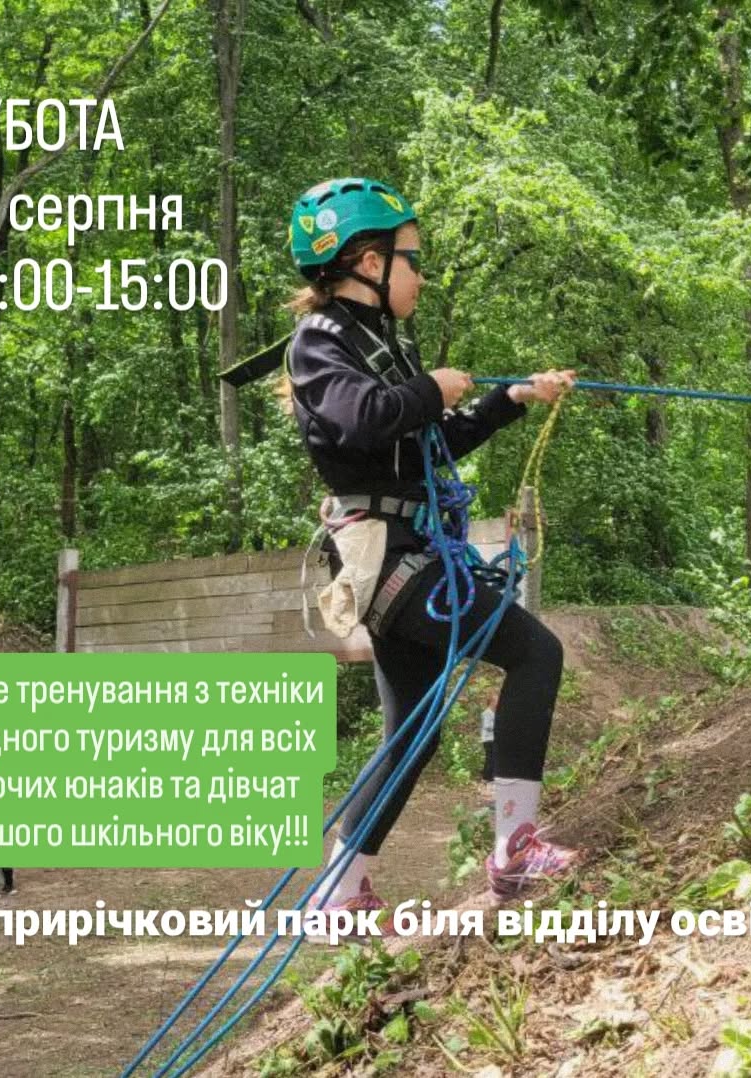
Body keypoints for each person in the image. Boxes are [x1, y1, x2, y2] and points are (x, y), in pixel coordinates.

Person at [284, 178, 579, 916]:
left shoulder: (385, 342)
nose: (421, 274)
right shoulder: (319, 342)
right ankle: (515, 849)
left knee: (412, 733)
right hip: (386, 557)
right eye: (412, 259)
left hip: (412, 548)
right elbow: (364, 417)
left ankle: (340, 893)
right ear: (369, 263)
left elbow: (429, 440)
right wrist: (432, 389)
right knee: (535, 653)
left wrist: (508, 400)